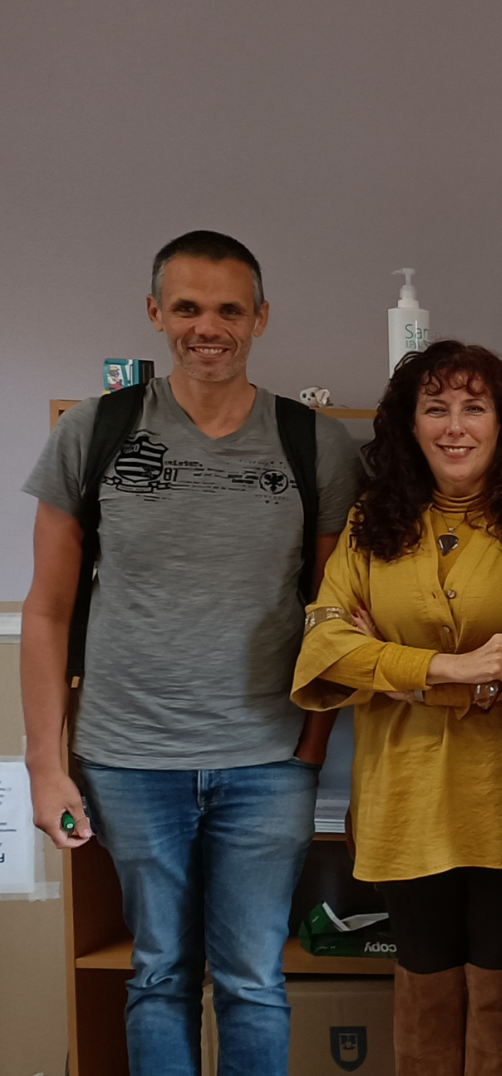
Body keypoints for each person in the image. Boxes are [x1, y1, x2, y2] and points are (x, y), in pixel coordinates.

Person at [20, 230, 361, 1074]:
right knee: (159, 974)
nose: (208, 327)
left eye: (229, 310)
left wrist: (310, 750)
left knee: (252, 980)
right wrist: (44, 766)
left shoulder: (312, 442)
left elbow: (335, 613)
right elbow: (48, 609)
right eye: (187, 308)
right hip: (129, 763)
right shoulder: (93, 433)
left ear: (260, 318)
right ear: (154, 314)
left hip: (267, 765)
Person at [291, 341, 502, 1075]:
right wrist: (452, 668)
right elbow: (324, 648)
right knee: (421, 974)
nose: (456, 426)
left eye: (474, 408)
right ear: (408, 426)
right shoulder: (368, 526)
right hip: (404, 794)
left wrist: (392, 672)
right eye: (436, 408)